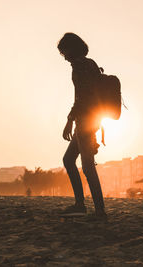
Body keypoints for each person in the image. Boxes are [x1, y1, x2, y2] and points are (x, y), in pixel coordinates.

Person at [58, 32, 106, 218]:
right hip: (93, 120)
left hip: (85, 121)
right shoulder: (91, 64)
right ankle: (80, 204)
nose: (64, 57)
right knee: (69, 160)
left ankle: (99, 210)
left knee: (87, 167)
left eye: (64, 52)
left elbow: (81, 97)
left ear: (71, 48)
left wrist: (69, 121)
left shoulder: (78, 66)